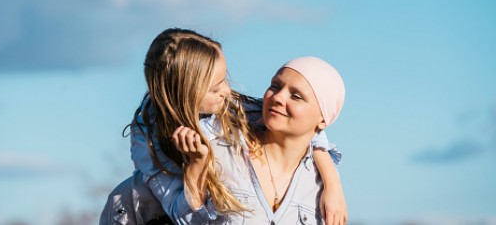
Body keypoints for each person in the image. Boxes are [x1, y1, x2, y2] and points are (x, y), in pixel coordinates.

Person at [100, 28, 346, 224]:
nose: (227, 92)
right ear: (185, 93)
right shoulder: (153, 139)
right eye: (214, 87)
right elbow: (185, 217)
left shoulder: (235, 112)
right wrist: (196, 166)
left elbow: (312, 132)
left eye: (224, 80)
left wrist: (333, 184)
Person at [199, 56, 346, 224]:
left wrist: (332, 184)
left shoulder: (320, 187)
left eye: (296, 96)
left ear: (323, 120)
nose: (278, 97)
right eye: (275, 86)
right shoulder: (216, 152)